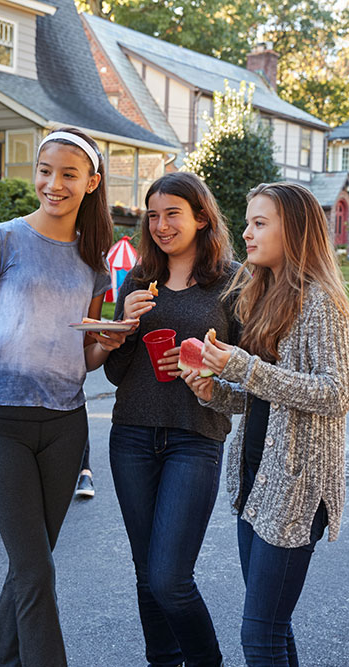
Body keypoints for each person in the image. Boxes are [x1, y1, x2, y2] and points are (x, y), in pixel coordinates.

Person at [0, 127, 128, 666]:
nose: (52, 184)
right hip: (0, 420)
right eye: (44, 171)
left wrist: (105, 343)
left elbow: (84, 356)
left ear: (91, 183)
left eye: (68, 175)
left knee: (28, 567)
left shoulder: (94, 261)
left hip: (65, 425)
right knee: (35, 570)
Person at [183, 182, 349, 667]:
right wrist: (215, 391)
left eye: (261, 223)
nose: (247, 232)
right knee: (273, 630)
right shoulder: (261, 292)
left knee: (259, 635)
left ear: (294, 231)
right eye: (248, 221)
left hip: (297, 486)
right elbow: (262, 398)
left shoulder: (320, 300)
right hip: (257, 479)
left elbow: (336, 394)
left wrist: (243, 367)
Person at [104, 172, 239, 667]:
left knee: (170, 578)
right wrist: (125, 330)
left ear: (202, 217)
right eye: (153, 215)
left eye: (172, 214)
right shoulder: (139, 280)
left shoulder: (233, 282)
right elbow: (119, 372)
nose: (161, 226)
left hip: (195, 436)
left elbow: (247, 370)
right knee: (146, 573)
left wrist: (204, 366)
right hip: (132, 435)